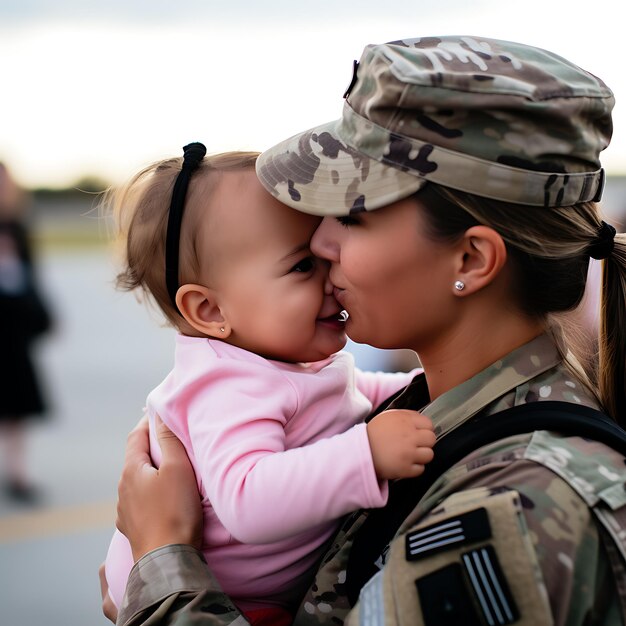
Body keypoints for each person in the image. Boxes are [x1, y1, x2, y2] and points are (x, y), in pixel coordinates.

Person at [101, 36, 626, 625]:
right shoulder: (441, 409)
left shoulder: (509, 519)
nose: (322, 244)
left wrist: (163, 566)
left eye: (353, 216)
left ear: (471, 260)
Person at [102, 148, 434, 623]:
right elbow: (247, 499)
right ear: (211, 311)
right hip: (233, 598)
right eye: (303, 265)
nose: (332, 273)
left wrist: (417, 386)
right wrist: (366, 454)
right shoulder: (227, 386)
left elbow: (345, 394)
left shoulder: (276, 360)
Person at [0, 161, 52, 504]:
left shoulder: (16, 229)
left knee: (14, 408)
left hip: (11, 331)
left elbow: (31, 280)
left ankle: (17, 474)